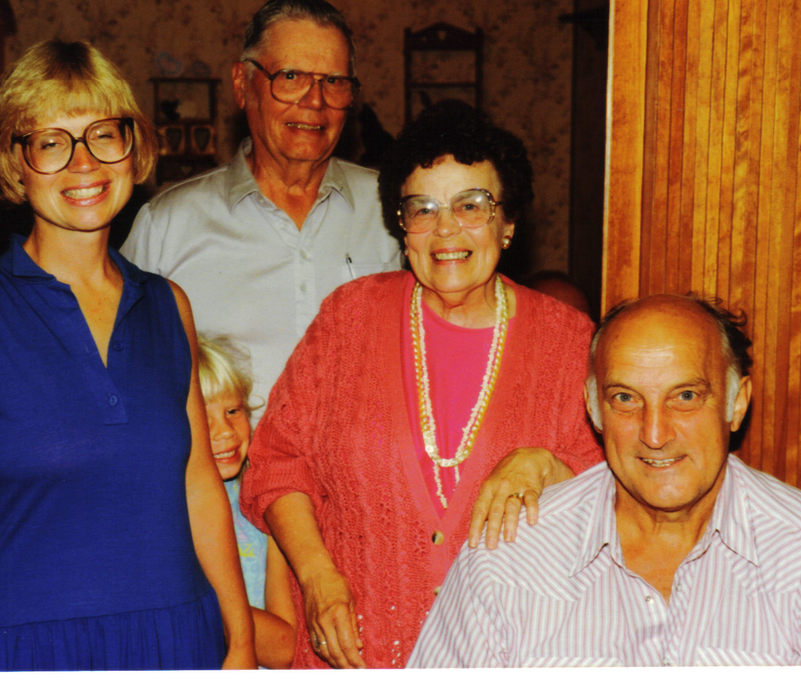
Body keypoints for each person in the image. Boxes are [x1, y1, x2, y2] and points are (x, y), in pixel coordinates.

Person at [0, 40, 254, 671]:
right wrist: (27, 555)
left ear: (133, 147)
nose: (83, 163)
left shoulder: (168, 306)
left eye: (103, 134)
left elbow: (197, 482)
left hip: (177, 638)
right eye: (51, 141)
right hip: (21, 641)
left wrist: (239, 638)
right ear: (16, 165)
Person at [239, 99, 603, 668]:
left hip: (510, 653)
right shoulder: (349, 317)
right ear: (401, 227)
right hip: (351, 653)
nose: (446, 229)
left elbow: (617, 494)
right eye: (422, 208)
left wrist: (547, 466)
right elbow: (278, 459)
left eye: (471, 205)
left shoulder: (567, 341)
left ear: (507, 224)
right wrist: (316, 577)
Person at [410, 294, 801, 666]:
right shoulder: (506, 558)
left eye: (685, 397)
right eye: (625, 399)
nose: (655, 434)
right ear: (593, 408)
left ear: (736, 404)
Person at [121, 0, 401, 420]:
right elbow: (118, 378)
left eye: (334, 81)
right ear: (241, 84)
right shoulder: (167, 226)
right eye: (290, 77)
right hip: (222, 484)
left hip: (367, 480)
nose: (315, 101)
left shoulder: (395, 211)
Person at [198, 334, 297, 667]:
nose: (225, 431)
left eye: (232, 410)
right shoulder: (160, 514)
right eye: (202, 418)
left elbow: (284, 648)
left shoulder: (262, 503)